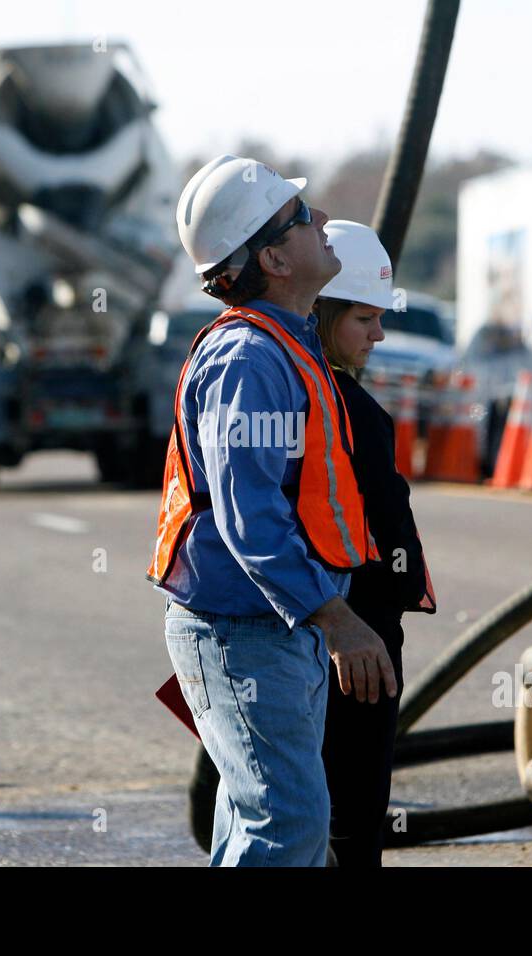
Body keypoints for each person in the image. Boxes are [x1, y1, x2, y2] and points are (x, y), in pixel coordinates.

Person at [149, 155, 397, 866]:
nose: (321, 222)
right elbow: (249, 517)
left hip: (268, 629)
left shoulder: (285, 348)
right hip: (245, 633)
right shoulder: (249, 359)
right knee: (286, 824)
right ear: (273, 258)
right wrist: (335, 615)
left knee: (264, 822)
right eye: (299, 217)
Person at [314, 221, 436, 866]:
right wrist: (352, 628)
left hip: (343, 629)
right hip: (350, 638)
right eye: (365, 317)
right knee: (349, 822)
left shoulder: (318, 391)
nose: (380, 334)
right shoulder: (331, 403)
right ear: (325, 309)